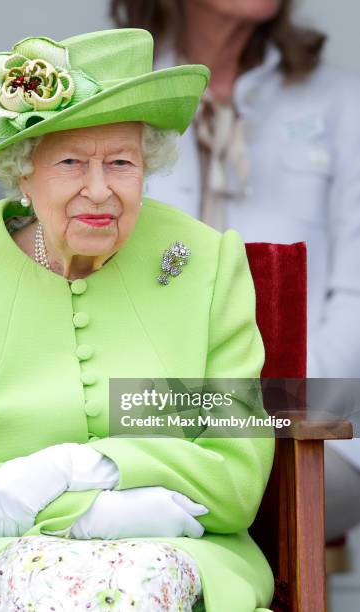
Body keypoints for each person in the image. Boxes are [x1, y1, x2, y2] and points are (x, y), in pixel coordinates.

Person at [0, 29, 275, 611]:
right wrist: (108, 512)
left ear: (146, 166)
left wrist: (81, 466)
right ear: (24, 172)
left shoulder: (208, 264)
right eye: (71, 162)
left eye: (120, 162)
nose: (99, 191)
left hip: (182, 557)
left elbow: (235, 482)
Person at [111, 0, 360, 542]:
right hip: (132, 414)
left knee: (167, 509)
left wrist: (261, 407)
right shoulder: (112, 90)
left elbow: (356, 296)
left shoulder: (343, 101)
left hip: (310, 424)